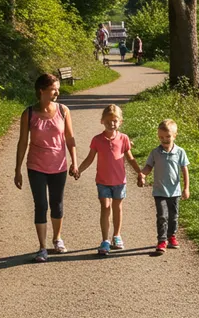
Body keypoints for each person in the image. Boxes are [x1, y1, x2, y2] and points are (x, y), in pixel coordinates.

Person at [14, 73, 79, 263]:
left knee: (57, 203)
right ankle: (42, 247)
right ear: (41, 91)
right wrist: (17, 169)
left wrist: (74, 162)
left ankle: (57, 238)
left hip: (59, 165)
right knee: (41, 205)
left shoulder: (63, 110)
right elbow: (22, 142)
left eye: (57, 89)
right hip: (36, 166)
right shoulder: (29, 113)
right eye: (53, 89)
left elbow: (70, 138)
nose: (57, 93)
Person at [76, 104, 144, 255]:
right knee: (105, 207)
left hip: (119, 181)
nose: (111, 124)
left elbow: (130, 158)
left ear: (120, 122)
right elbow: (89, 158)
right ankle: (105, 240)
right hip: (103, 181)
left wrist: (140, 172)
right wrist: (79, 170)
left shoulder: (123, 139)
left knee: (117, 208)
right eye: (108, 121)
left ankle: (117, 235)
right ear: (102, 121)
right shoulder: (97, 140)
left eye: (115, 121)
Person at [139, 118, 190, 255]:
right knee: (162, 216)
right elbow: (149, 166)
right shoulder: (155, 153)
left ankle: (171, 236)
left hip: (175, 191)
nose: (164, 139)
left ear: (175, 135)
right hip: (159, 190)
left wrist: (186, 188)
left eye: (167, 136)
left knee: (173, 216)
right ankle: (161, 240)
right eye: (161, 137)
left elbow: (184, 170)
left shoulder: (180, 152)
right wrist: (143, 175)